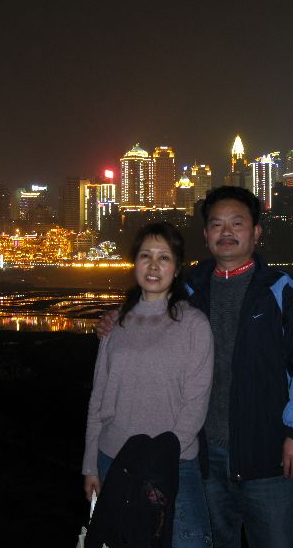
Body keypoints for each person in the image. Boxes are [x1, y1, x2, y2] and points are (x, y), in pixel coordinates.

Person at [97, 187, 293, 548]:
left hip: (268, 457)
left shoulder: (281, 290)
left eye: (237, 223)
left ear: (256, 232)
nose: (226, 232)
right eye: (217, 224)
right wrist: (117, 317)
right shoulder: (190, 289)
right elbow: (148, 304)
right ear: (206, 234)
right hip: (202, 458)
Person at [82, 222, 214, 548]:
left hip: (174, 462)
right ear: (135, 263)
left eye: (164, 257)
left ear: (177, 268)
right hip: (114, 459)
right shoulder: (116, 324)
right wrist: (90, 465)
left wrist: (163, 456)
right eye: (145, 256)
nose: (153, 266)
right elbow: (98, 399)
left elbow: (196, 403)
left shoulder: (194, 324)